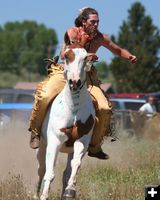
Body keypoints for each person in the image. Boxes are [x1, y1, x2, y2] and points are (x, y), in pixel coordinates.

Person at [29, 7, 137, 159]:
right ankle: (35, 132)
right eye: (93, 22)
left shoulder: (101, 38)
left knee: (105, 108)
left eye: (98, 22)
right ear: (84, 21)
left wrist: (129, 56)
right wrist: (87, 53)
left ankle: (94, 146)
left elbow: (117, 50)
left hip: (88, 76)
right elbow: (67, 52)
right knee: (44, 95)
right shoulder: (72, 32)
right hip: (65, 73)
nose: (96, 25)